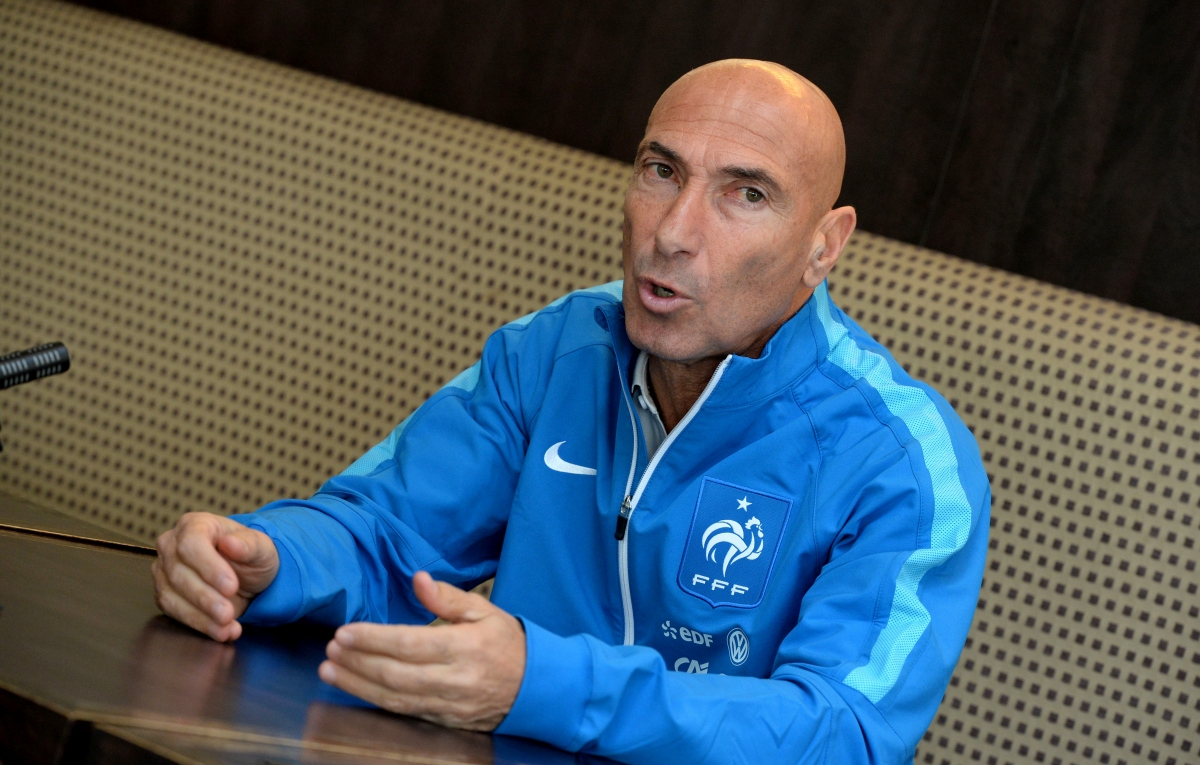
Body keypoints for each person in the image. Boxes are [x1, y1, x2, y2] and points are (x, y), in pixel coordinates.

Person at [152, 59, 990, 764]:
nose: (673, 232)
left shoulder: (903, 463)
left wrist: (542, 683)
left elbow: (842, 733)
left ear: (823, 245)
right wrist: (266, 558)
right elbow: (382, 533)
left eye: (745, 194)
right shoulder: (558, 348)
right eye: (662, 171)